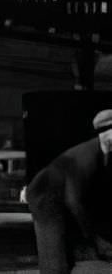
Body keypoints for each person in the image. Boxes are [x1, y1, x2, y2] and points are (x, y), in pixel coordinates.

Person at [27, 108, 112, 274]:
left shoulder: (104, 152)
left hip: (60, 198)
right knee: (55, 263)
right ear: (105, 132)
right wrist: (93, 236)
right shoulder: (87, 156)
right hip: (45, 198)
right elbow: (74, 200)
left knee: (67, 257)